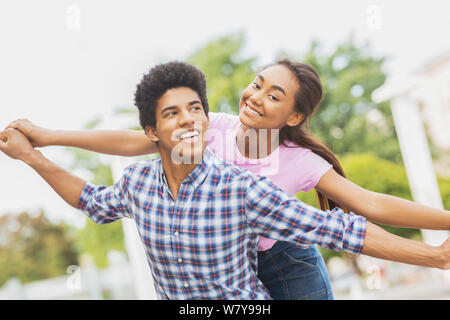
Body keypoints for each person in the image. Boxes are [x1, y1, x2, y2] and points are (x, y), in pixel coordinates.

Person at [7, 59, 450, 300]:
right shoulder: (211, 127)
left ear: (293, 116)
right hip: (228, 259)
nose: (256, 97)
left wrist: (443, 230)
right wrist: (48, 138)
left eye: (273, 96)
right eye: (258, 84)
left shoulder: (295, 162)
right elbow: (130, 142)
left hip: (284, 259)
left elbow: (364, 207)